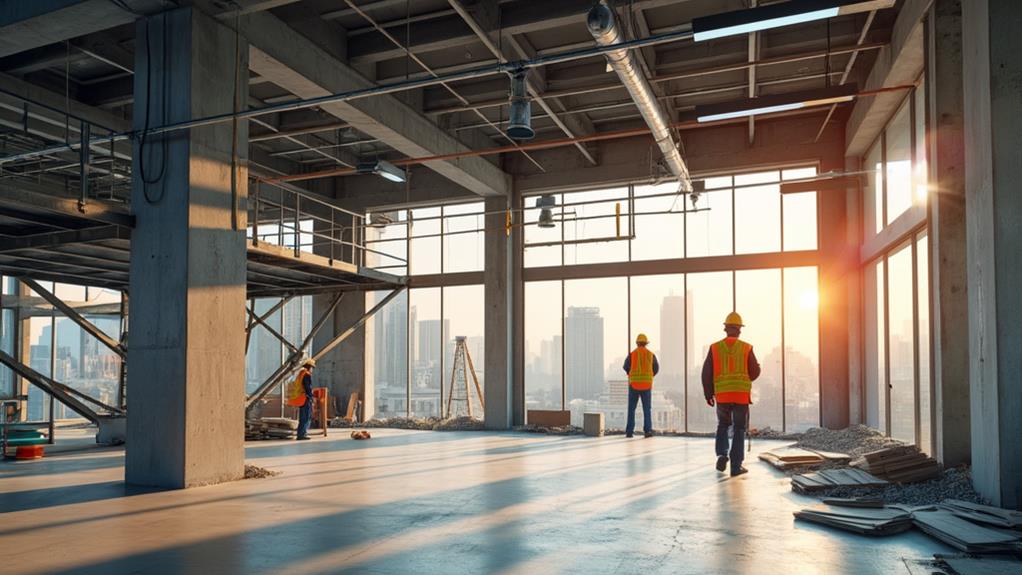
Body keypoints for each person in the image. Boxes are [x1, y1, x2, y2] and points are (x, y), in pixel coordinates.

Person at [702, 312, 760, 477]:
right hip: (740, 395)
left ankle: (722, 454)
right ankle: (736, 466)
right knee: (739, 428)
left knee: (723, 425)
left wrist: (708, 394)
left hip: (722, 395)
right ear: (739, 330)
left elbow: (706, 373)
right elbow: (754, 372)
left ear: (725, 329)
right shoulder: (746, 347)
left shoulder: (714, 348)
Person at [622, 333, 659, 438]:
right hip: (647, 385)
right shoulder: (651, 355)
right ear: (646, 343)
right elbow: (656, 368)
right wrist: (650, 376)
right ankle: (647, 431)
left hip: (634, 385)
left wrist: (631, 373)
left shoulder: (632, 354)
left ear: (637, 343)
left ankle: (629, 432)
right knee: (647, 409)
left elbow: (625, 366)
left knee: (631, 409)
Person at [286, 358, 316, 440]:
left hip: (300, 398)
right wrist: (311, 397)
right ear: (309, 367)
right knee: (306, 417)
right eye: (312, 367)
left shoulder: (300, 374)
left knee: (303, 416)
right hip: (305, 398)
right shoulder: (306, 374)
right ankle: (302, 434)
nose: (312, 369)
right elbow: (308, 387)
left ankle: (301, 433)